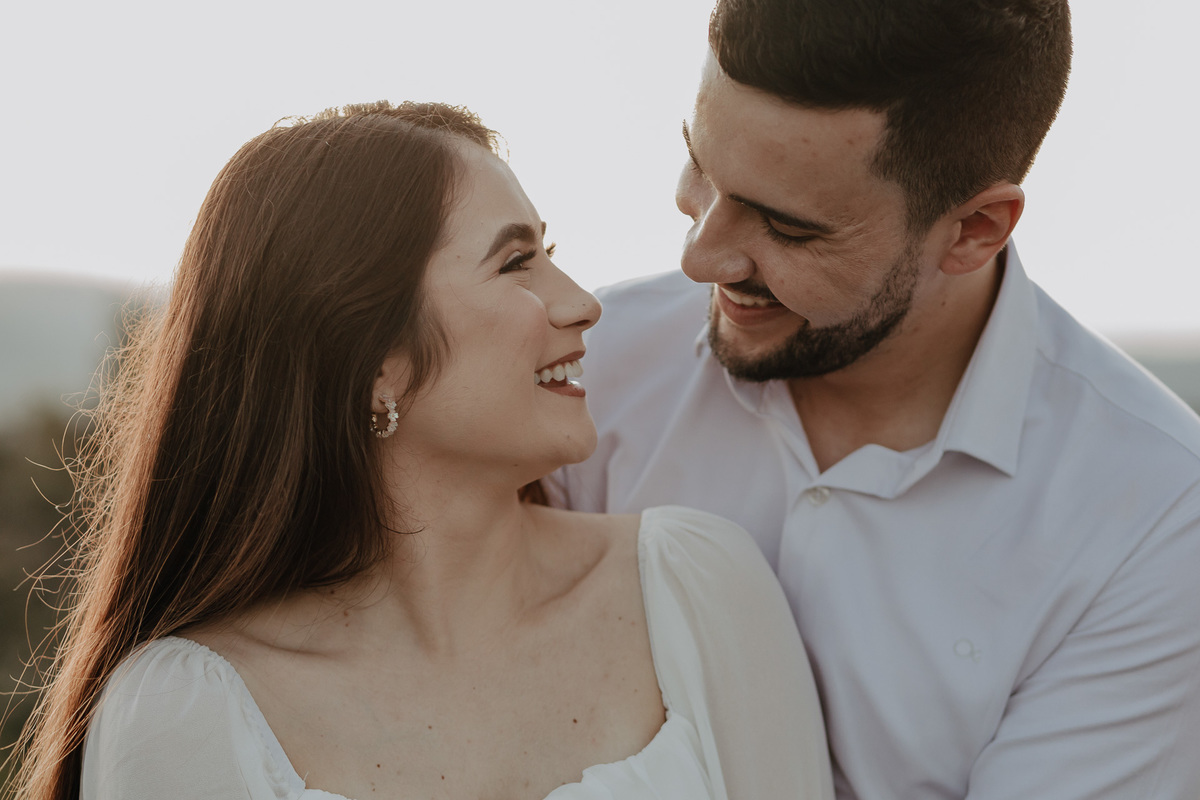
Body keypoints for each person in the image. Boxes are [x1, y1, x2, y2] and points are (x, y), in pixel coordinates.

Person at [7, 102, 833, 800]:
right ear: (374, 366)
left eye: (553, 254)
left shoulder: (694, 589)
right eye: (517, 263)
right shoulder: (186, 710)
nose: (581, 304)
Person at [551, 1, 1200, 798]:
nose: (701, 256)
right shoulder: (584, 367)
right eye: (701, 168)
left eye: (787, 227)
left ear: (976, 230)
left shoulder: (1156, 520)